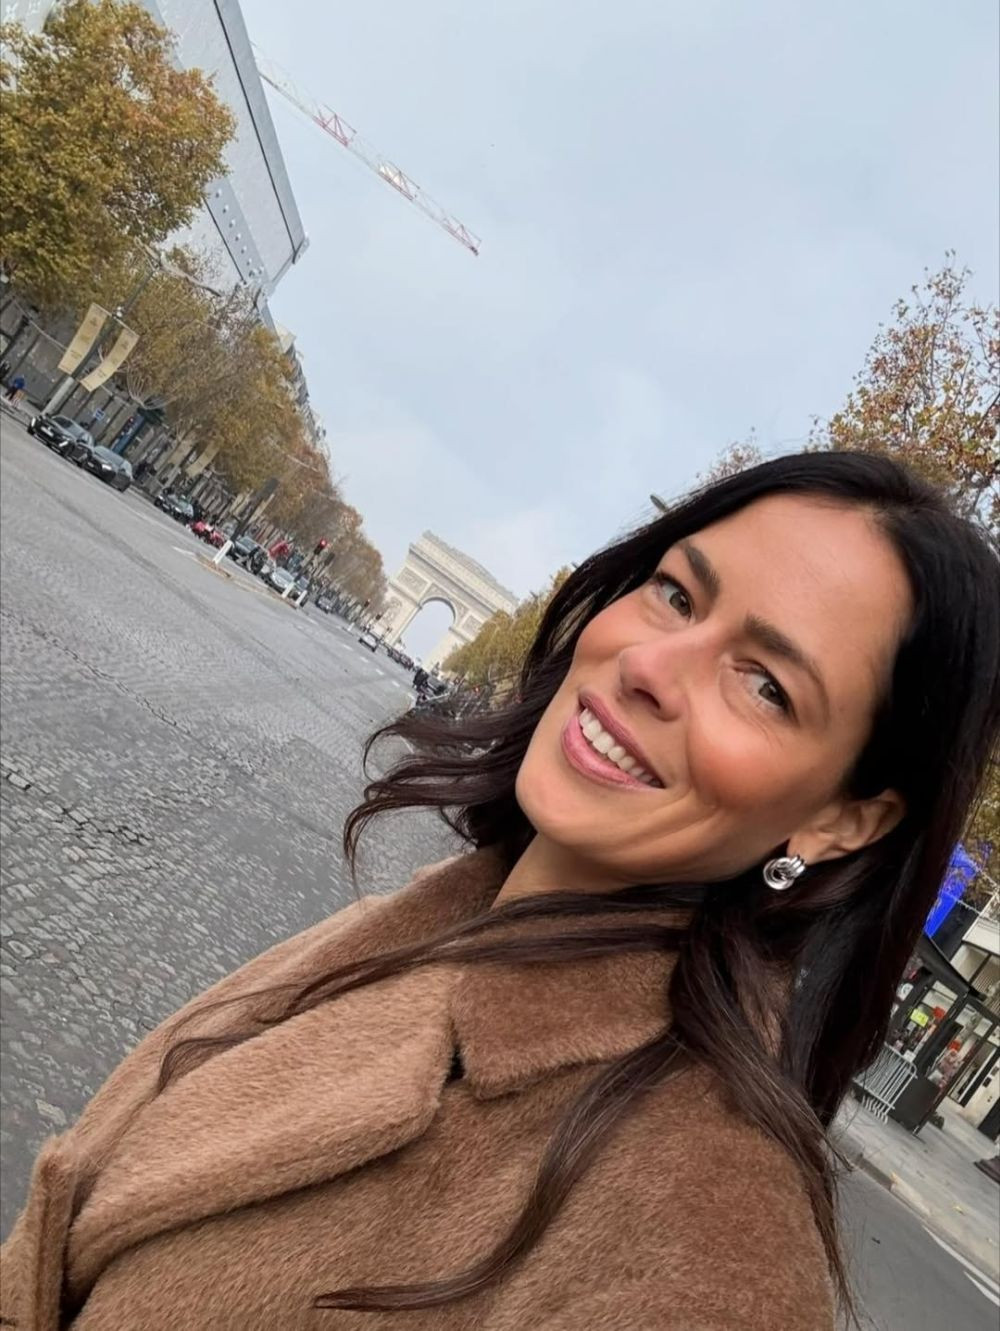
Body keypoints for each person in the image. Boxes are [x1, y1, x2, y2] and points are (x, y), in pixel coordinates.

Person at [2, 452, 998, 1331]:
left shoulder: (707, 1240)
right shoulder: (437, 922)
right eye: (675, 594)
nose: (649, 665)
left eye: (765, 683)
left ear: (844, 818)